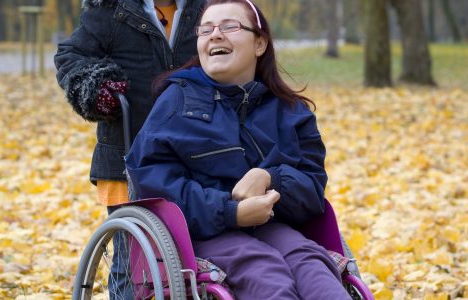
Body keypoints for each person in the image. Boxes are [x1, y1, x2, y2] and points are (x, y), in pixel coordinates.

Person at [126, 0, 351, 299]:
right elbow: (156, 187)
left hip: (272, 227)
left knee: (311, 264)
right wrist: (231, 212)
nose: (215, 35)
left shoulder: (290, 112)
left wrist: (271, 178)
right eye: (205, 30)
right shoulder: (175, 103)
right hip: (200, 234)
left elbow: (312, 192)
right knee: (265, 272)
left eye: (229, 26)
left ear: (260, 43)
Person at [54, 0, 204, 207]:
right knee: (136, 237)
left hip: (197, 156)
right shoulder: (110, 10)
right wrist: (97, 88)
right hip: (126, 156)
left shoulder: (208, 10)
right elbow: (70, 56)